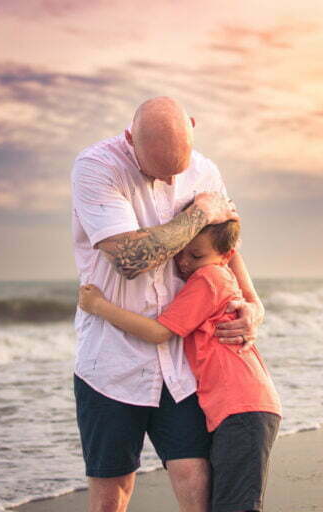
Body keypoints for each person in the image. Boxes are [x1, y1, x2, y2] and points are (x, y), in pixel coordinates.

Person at [71, 96, 265, 512]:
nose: (171, 179)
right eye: (156, 170)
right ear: (130, 140)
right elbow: (128, 260)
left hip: (181, 359)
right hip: (111, 362)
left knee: (196, 479)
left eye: (178, 168)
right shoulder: (96, 167)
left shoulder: (206, 171)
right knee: (112, 492)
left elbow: (226, 248)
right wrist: (198, 216)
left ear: (193, 128)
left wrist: (252, 304)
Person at [79, 217, 282, 512]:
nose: (185, 263)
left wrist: (99, 306)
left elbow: (159, 332)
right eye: (180, 252)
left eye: (196, 255)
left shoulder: (210, 278)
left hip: (243, 407)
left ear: (227, 256)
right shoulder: (216, 275)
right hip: (239, 406)